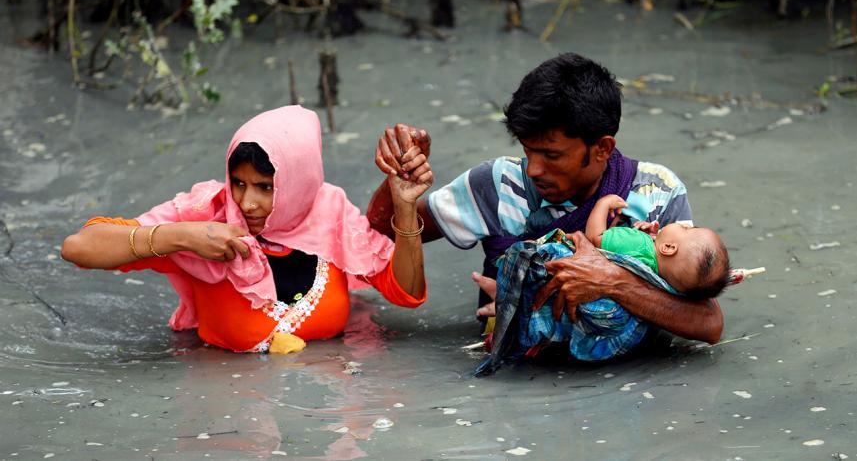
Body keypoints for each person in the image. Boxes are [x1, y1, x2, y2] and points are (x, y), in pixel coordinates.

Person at [367, 52, 723, 345]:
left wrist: (612, 281)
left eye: (552, 155)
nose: (535, 169)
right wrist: (399, 181)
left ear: (602, 148)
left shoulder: (657, 192)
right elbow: (379, 231)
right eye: (528, 150)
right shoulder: (498, 183)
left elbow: (708, 323)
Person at [61, 105, 433, 353]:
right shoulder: (205, 215)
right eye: (238, 183)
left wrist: (404, 206)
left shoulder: (330, 214)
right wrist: (183, 236)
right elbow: (78, 247)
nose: (247, 203)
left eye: (265, 187)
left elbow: (407, 294)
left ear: (298, 184)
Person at [585, 194, 731, 301]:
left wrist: (602, 204)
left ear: (668, 247)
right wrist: (652, 239)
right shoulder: (662, 286)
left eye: (686, 229)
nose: (684, 225)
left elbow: (595, 238)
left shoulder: (637, 244)